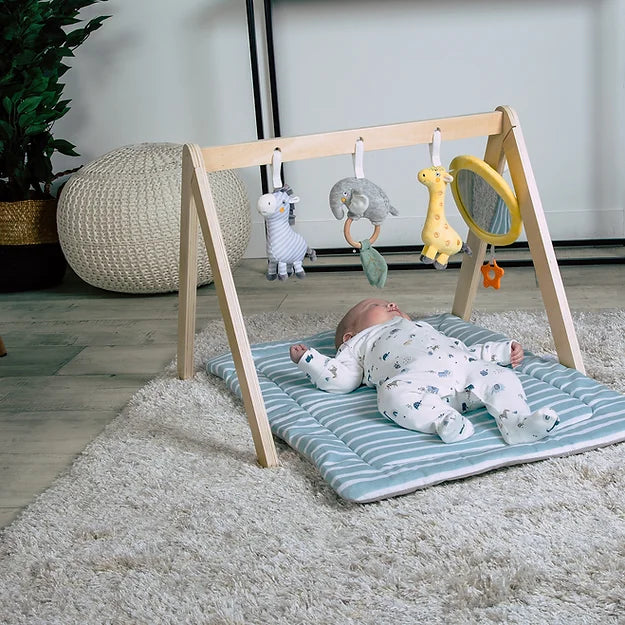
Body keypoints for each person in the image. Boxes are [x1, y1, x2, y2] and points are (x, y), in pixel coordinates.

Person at [289, 298, 559, 445]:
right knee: (392, 395)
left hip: (463, 373)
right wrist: (311, 360)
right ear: (350, 335)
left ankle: (516, 423)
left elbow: (463, 349)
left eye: (391, 303)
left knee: (502, 377)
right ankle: (443, 421)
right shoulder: (358, 344)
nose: (391, 304)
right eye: (375, 306)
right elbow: (342, 379)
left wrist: (500, 352)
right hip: (417, 385)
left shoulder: (422, 327)